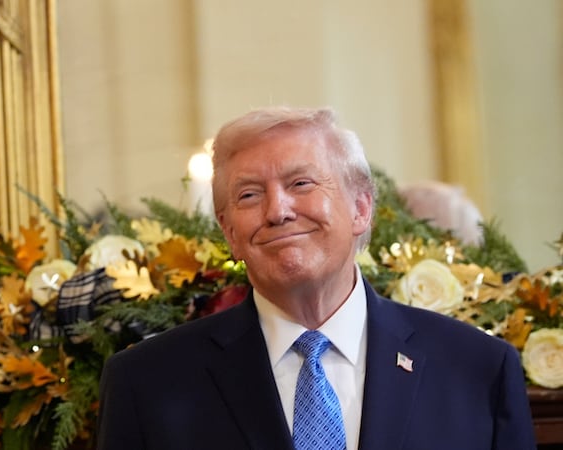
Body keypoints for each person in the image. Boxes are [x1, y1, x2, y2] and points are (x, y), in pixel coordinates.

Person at [96, 106, 535, 449]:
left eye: (301, 183)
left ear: (361, 209)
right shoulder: (149, 382)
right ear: (229, 233)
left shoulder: (476, 368)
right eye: (249, 195)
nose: (277, 211)